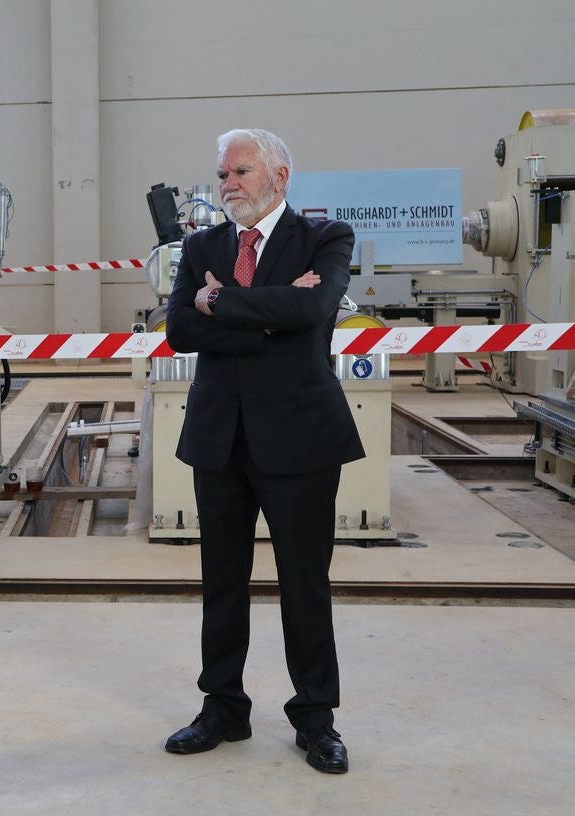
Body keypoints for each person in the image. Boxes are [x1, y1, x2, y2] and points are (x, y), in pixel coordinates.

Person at [162, 128, 362, 774]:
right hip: (220, 438)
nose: (228, 184)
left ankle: (315, 717)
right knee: (222, 582)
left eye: (241, 171)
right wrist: (267, 317)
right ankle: (223, 706)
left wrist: (221, 301)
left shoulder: (325, 239)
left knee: (304, 582)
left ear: (279, 176)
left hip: (301, 438)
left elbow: (316, 310)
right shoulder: (201, 245)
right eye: (223, 172)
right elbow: (179, 329)